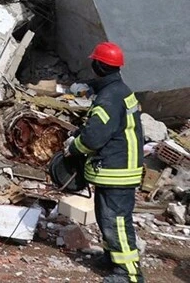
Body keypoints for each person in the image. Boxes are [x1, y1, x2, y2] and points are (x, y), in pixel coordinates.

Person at [64, 42, 144, 283]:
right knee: (106, 218)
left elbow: (94, 137)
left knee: (116, 221)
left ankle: (129, 274)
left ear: (98, 64)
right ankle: (112, 258)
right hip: (120, 167)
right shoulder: (121, 90)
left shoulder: (109, 99)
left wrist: (73, 148)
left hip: (116, 170)